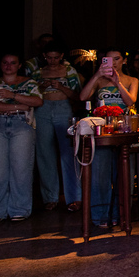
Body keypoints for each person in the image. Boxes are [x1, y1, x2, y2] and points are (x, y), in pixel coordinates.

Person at [79, 49, 139, 228]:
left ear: (124, 61)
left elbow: (130, 101)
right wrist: (98, 75)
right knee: (100, 175)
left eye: (117, 59)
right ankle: (100, 216)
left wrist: (118, 83)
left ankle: (120, 215)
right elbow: (83, 97)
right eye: (109, 59)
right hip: (103, 131)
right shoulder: (99, 81)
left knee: (123, 175)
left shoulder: (132, 80)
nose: (113, 63)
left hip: (123, 130)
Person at [0, 54, 43, 223]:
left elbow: (38, 101)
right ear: (0, 64)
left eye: (13, 63)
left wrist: (12, 95)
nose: (8, 66)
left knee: (21, 168)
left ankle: (19, 209)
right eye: (5, 63)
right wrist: (20, 105)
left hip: (21, 124)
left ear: (19, 65)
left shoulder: (29, 83)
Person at [30, 42, 83, 212]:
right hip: (42, 110)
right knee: (44, 153)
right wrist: (41, 87)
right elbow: (30, 94)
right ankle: (50, 197)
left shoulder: (70, 72)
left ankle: (74, 197)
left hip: (63, 109)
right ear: (44, 56)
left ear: (61, 56)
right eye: (49, 57)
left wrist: (61, 87)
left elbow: (78, 95)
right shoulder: (37, 73)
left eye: (56, 57)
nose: (52, 61)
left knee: (69, 153)